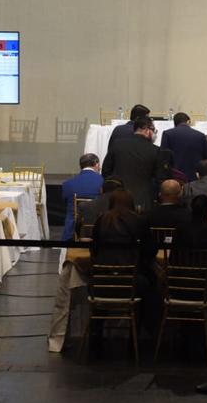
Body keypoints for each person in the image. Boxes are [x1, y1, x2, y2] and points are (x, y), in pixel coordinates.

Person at [90, 189, 156, 342]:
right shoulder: (139, 221)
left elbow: (93, 250)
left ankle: (95, 338)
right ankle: (138, 337)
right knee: (151, 287)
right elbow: (151, 250)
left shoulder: (101, 220)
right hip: (131, 283)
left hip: (102, 282)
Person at [101, 115, 170, 211]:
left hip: (117, 199)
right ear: (147, 129)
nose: (154, 134)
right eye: (153, 130)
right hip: (143, 201)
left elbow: (106, 171)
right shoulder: (156, 150)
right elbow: (160, 179)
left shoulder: (117, 144)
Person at [60, 153, 104, 241]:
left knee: (71, 211)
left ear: (81, 166)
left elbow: (64, 201)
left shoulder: (67, 184)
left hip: (73, 228)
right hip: (99, 225)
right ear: (97, 164)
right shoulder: (104, 182)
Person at [161, 112, 207, 181]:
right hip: (195, 177)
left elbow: (163, 157)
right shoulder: (200, 135)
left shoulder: (167, 134)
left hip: (174, 177)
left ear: (174, 123)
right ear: (188, 121)